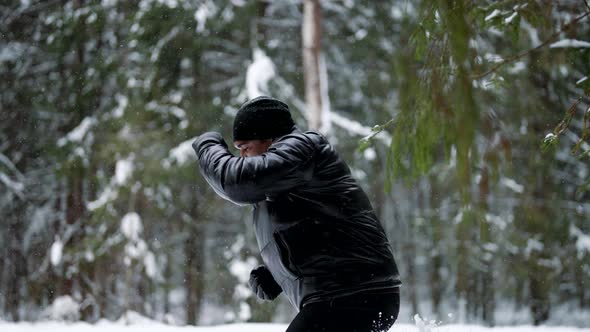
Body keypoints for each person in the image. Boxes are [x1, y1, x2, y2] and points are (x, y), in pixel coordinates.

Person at [193, 96, 401, 332]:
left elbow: (235, 182)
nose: (242, 156)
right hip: (347, 295)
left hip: (353, 295)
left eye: (245, 147)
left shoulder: (302, 148)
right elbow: (318, 228)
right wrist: (279, 273)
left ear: (269, 138)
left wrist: (207, 146)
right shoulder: (286, 172)